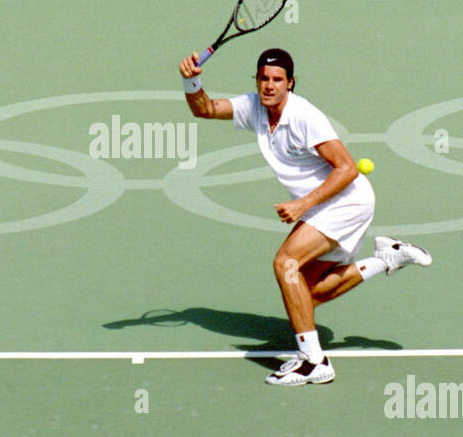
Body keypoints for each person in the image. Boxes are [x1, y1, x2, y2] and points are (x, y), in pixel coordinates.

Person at [179, 47, 432, 386]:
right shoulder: (254, 107)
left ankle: (314, 361)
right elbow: (206, 110)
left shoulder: (304, 116)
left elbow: (347, 169)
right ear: (257, 81)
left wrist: (302, 204)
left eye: (278, 80)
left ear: (291, 83)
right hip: (327, 205)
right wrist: (191, 81)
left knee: (285, 263)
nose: (269, 86)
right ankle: (387, 259)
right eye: (264, 79)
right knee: (305, 294)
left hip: (345, 202)